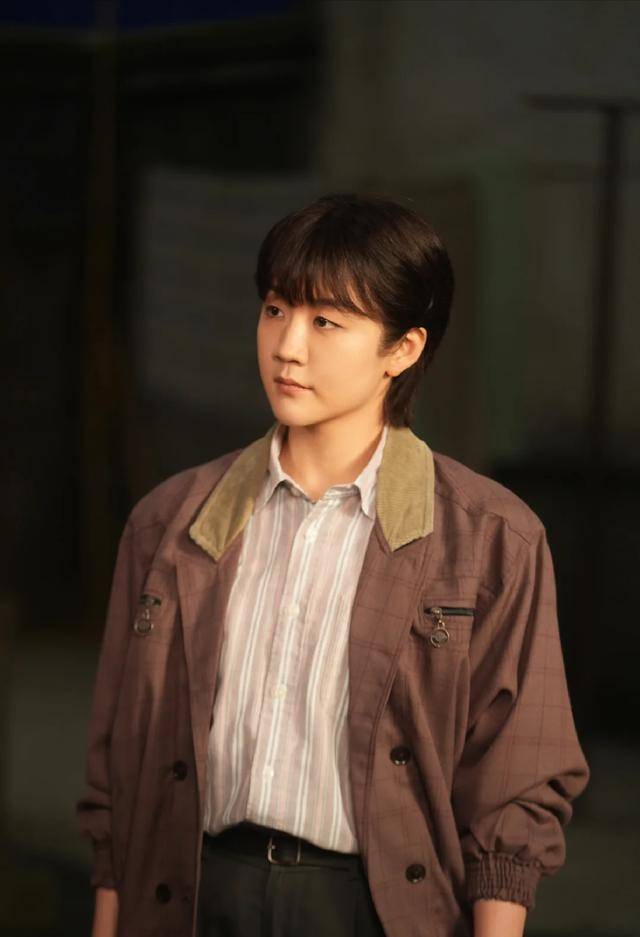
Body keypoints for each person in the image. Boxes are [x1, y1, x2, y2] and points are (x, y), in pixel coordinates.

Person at [77, 192, 590, 937]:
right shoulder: (169, 522)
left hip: (370, 906)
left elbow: (516, 780)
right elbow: (117, 764)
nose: (288, 346)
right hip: (191, 894)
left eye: (326, 321)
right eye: (276, 309)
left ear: (402, 349)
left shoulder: (491, 539)